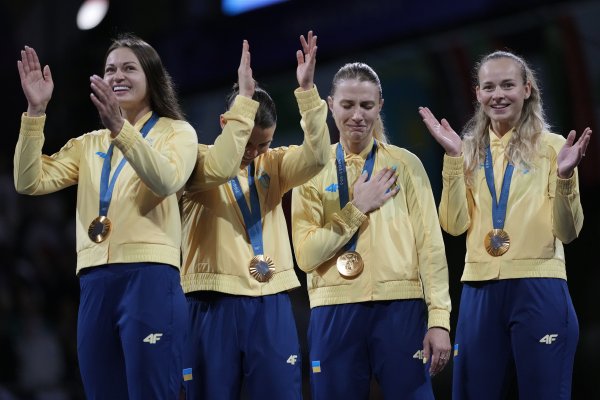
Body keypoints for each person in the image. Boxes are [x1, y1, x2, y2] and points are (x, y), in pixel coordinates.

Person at [15, 33, 202, 400]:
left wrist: (121, 129)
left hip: (150, 278)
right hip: (94, 283)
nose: (117, 75)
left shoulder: (178, 132)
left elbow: (166, 180)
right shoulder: (89, 144)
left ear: (151, 78)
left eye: (129, 68)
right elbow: (28, 180)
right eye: (110, 69)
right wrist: (36, 113)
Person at [419, 50, 592, 400]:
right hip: (479, 290)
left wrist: (564, 177)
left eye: (508, 85)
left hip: (539, 285)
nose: (498, 94)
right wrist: (453, 161)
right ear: (478, 94)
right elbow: (453, 226)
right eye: (489, 86)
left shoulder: (553, 147)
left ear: (527, 89)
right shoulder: (466, 150)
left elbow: (569, 231)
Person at [179, 31, 329, 399]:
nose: (254, 152)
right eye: (247, 143)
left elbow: (317, 157)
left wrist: (308, 94)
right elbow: (221, 166)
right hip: (210, 299)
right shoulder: (194, 160)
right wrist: (243, 107)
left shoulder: (273, 164)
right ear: (224, 123)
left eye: (264, 143)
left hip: (270, 297)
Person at [291, 61, 452, 400]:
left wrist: (438, 318)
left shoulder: (406, 164)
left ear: (380, 105)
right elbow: (305, 256)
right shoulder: (310, 173)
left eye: (366, 105)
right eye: (348, 105)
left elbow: (430, 248)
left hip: (400, 309)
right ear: (331, 105)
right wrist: (356, 209)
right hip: (333, 312)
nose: (357, 115)